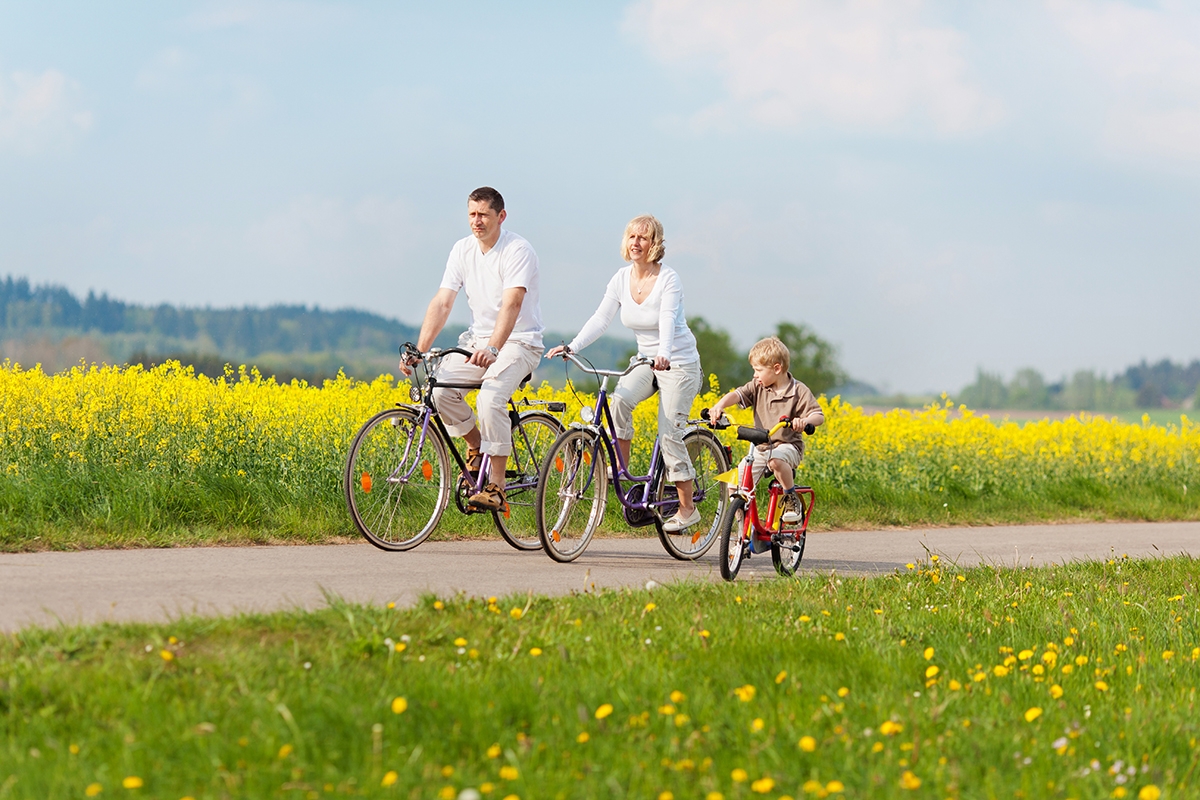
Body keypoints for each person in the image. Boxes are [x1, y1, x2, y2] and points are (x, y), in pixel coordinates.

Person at [545, 214, 704, 533]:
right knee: (618, 401)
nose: (636, 243)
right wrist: (572, 347)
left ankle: (688, 509)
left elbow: (667, 320)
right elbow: (601, 318)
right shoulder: (620, 278)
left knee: (670, 432)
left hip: (678, 362)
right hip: (646, 360)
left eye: (643, 238)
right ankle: (622, 471)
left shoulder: (668, 279)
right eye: (632, 236)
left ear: (655, 243)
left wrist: (665, 353)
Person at [399, 187, 544, 512]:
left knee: (490, 398)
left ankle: (497, 487)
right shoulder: (462, 250)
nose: (476, 221)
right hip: (477, 342)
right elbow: (443, 301)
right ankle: (476, 446)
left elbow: (513, 303)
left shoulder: (517, 249)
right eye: (472, 215)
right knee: (439, 393)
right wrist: (420, 349)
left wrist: (494, 347)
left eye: (483, 215)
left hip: (520, 342)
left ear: (500, 217)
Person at [705, 336, 824, 525]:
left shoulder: (798, 390)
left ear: (777, 369)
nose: (755, 375)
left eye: (758, 370)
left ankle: (790, 499)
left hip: (788, 447)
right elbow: (737, 394)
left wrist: (804, 421)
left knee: (775, 460)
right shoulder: (758, 387)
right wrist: (719, 406)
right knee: (735, 483)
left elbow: (818, 415)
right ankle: (742, 529)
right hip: (760, 448)